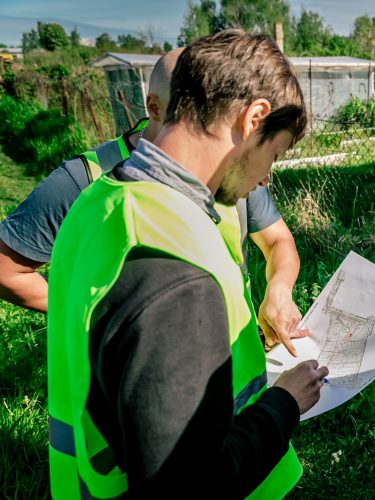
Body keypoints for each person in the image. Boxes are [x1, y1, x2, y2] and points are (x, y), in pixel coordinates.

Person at [46, 30, 328, 498]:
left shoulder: (100, 201)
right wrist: (283, 404)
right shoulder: (173, 270)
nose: (265, 178)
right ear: (253, 117)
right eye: (273, 154)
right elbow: (189, 483)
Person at [0, 48, 305, 354]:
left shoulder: (234, 173)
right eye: (187, 115)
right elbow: (6, 271)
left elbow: (278, 240)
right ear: (154, 108)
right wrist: (100, 315)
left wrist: (279, 287)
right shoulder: (85, 178)